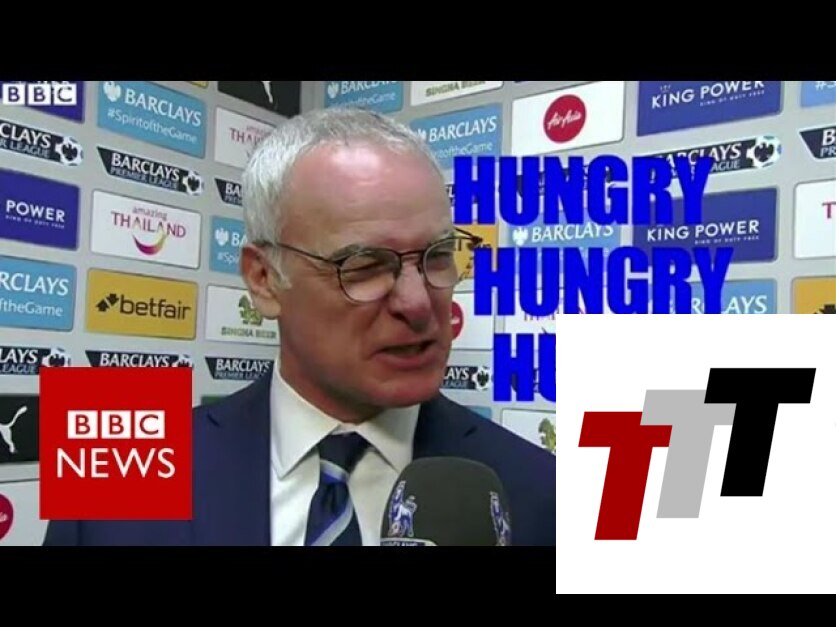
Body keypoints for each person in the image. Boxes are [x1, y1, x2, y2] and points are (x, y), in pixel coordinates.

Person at [42, 107, 556, 546]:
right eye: (364, 266)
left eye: (438, 256)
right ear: (264, 279)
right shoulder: (114, 468)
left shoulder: (544, 492)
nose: (418, 303)